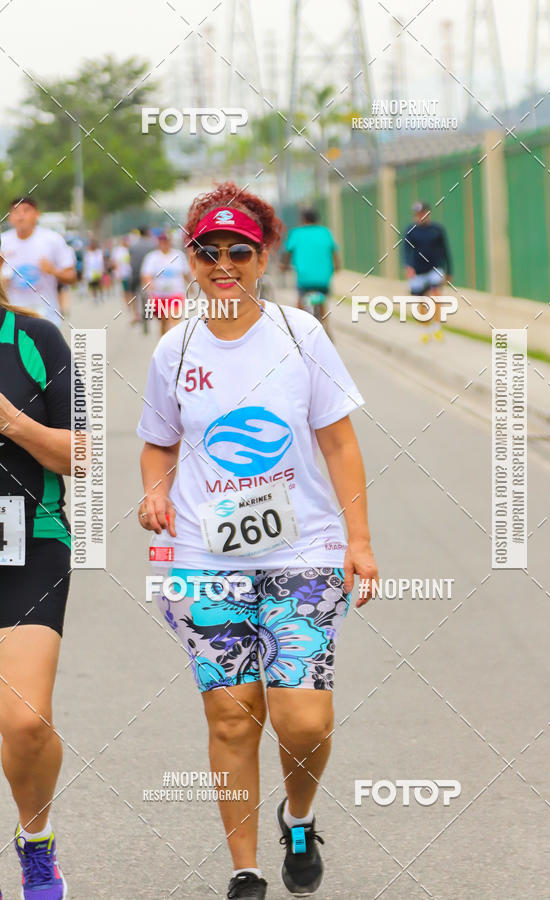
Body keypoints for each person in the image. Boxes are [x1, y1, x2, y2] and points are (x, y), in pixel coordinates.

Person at [137, 182, 378, 900]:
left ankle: (298, 815)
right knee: (232, 716)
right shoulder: (175, 348)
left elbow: (338, 443)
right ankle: (244, 871)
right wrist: (155, 490)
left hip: (302, 551)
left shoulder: (300, 333)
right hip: (207, 560)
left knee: (303, 719)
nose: (223, 263)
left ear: (262, 254)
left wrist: (359, 541)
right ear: (190, 258)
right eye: (207, 251)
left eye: (238, 250)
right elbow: (158, 442)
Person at [0, 237, 73, 898]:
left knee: (24, 721)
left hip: (27, 541)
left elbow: (81, 455)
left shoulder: (35, 337)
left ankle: (37, 840)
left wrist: (11, 421)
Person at [0, 197, 76, 329]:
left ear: (37, 214)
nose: (20, 216)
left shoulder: (53, 240)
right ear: (10, 217)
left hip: (46, 318)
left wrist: (53, 270)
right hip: (11, 320)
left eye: (26, 210)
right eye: (15, 212)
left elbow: (72, 277)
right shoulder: (3, 241)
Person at [281, 208, 340, 338]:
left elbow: (287, 252)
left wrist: (284, 266)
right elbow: (334, 252)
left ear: (303, 219)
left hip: (304, 278)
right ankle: (325, 324)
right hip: (323, 278)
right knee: (322, 300)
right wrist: (337, 267)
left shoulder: (296, 233)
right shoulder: (325, 232)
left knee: (300, 299)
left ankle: (297, 329)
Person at [402, 201, 453, 343]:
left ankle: (437, 328)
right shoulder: (410, 230)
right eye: (417, 214)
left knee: (436, 297)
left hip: (435, 269)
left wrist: (449, 270)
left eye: (423, 213)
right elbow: (406, 251)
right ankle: (425, 329)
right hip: (418, 270)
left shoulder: (437, 230)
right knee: (422, 301)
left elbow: (446, 250)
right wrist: (408, 266)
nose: (420, 216)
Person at [141, 230, 190, 336]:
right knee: (163, 322)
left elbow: (186, 273)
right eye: (162, 241)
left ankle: (178, 345)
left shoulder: (178, 255)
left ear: (170, 241)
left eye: (166, 240)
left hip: (176, 294)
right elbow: (146, 275)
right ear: (158, 242)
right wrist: (150, 284)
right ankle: (163, 344)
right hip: (159, 296)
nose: (164, 243)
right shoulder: (152, 257)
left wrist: (192, 286)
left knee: (174, 319)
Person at [129, 227, 156, 326]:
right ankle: (150, 311)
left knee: (132, 293)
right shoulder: (152, 244)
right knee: (150, 292)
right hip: (148, 274)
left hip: (135, 273)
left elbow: (131, 260)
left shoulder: (133, 245)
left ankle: (135, 315)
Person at [111, 236, 134, 321]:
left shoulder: (130, 249)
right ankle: (128, 305)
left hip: (130, 273)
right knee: (125, 291)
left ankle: (132, 304)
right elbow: (114, 262)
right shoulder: (117, 250)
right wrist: (118, 273)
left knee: (131, 291)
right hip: (122, 274)